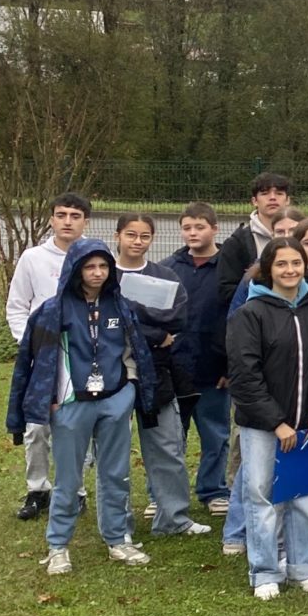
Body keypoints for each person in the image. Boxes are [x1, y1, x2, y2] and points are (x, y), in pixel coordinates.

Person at [8, 237, 158, 573]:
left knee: (116, 474)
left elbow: (135, 351)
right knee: (68, 479)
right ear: (75, 269)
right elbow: (32, 363)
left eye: (103, 266)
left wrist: (129, 389)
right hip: (71, 406)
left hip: (115, 401)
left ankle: (119, 539)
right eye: (89, 266)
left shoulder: (120, 306)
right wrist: (51, 401)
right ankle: (58, 546)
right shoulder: (51, 310)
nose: (97, 273)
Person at [226, 237, 308, 600]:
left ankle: (305, 566)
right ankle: (266, 570)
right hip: (264, 426)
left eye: (296, 263)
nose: (290, 270)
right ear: (268, 269)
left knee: (304, 497)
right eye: (282, 264)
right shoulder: (251, 313)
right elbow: (245, 375)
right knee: (263, 496)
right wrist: (276, 421)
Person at [111, 214, 207, 538]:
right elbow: (112, 323)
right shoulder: (104, 275)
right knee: (115, 451)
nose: (137, 241)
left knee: (167, 445)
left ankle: (173, 518)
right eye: (131, 235)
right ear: (118, 236)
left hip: (158, 375)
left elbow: (177, 319)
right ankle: (117, 523)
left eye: (144, 236)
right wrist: (152, 330)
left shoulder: (164, 276)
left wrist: (134, 317)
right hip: (114, 376)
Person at [5, 192, 92, 520]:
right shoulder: (32, 258)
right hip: (41, 355)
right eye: (61, 215)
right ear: (52, 219)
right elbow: (16, 307)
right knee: (36, 427)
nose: (67, 221)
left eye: (75, 216)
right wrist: (28, 343)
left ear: (85, 221)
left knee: (74, 426)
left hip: (81, 356)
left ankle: (75, 491)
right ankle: (37, 489)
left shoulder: (93, 256)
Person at [168, 202, 232, 519]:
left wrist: (230, 366)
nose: (193, 233)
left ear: (214, 229)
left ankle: (214, 490)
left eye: (200, 227)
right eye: (188, 227)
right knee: (169, 438)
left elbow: (238, 320)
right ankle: (165, 493)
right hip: (175, 369)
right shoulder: (170, 268)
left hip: (215, 370)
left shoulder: (228, 268)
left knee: (215, 435)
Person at [217, 172, 292, 305]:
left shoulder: (303, 236)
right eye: (265, 193)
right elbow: (226, 289)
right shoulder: (237, 243)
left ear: (287, 200)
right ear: (254, 201)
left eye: (279, 193)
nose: (272, 198)